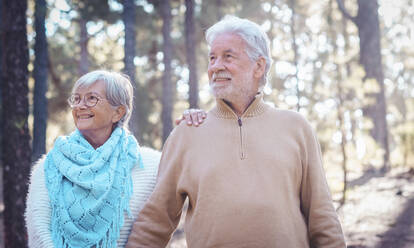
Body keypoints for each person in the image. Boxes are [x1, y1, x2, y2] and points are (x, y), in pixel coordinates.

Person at [126, 15, 346, 248]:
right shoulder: (187, 133)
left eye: (227, 56)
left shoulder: (296, 127)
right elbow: (156, 219)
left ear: (258, 66)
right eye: (212, 58)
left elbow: (322, 215)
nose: (216, 66)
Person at [25, 70, 206, 248]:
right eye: (76, 99)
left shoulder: (151, 165)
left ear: (118, 113)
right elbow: (39, 233)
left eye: (91, 98)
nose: (80, 106)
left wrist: (197, 126)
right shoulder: (48, 166)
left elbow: (201, 181)